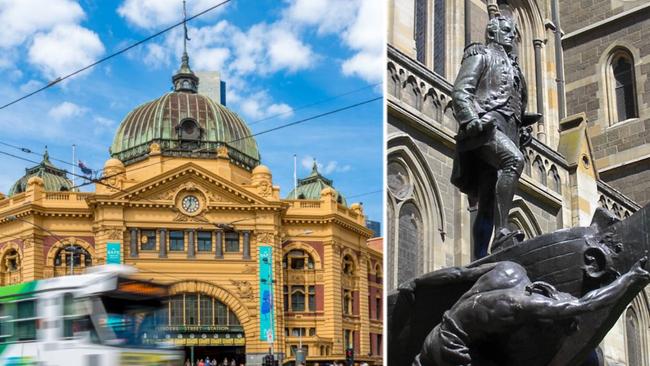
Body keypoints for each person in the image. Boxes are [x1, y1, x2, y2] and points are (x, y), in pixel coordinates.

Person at [408, 257, 650, 366]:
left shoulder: (509, 268)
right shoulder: (524, 304)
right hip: (451, 352)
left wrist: (417, 281)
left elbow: (458, 273)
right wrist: (629, 279)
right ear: (550, 297)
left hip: (436, 336)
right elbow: (585, 305)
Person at [451, 14, 541, 259]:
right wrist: (471, 121)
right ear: (492, 33)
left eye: (513, 31)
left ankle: (479, 256)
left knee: (487, 202)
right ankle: (502, 232)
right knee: (514, 161)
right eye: (506, 30)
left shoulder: (516, 70)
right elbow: (461, 91)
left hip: (507, 130)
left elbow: (518, 108)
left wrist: (523, 129)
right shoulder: (481, 55)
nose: (512, 35)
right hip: (486, 130)